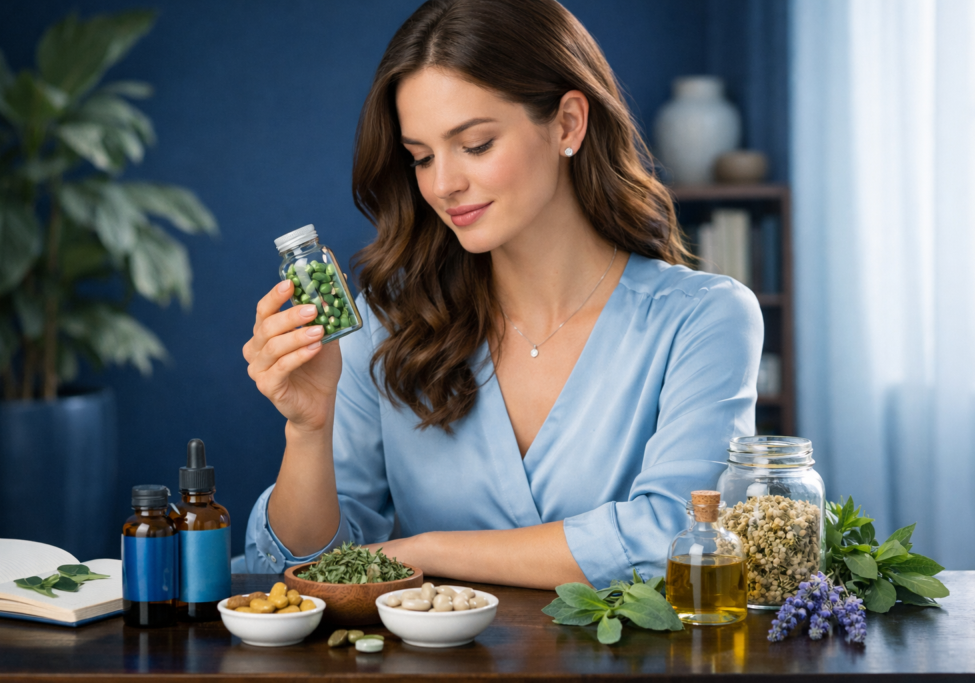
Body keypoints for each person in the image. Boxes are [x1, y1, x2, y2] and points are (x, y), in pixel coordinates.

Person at [242, 0, 763, 590]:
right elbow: (305, 567)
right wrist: (308, 430)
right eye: (421, 157)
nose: (443, 185)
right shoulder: (386, 324)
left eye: (476, 144)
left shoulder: (703, 319)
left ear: (567, 123)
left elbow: (677, 536)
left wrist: (428, 550)